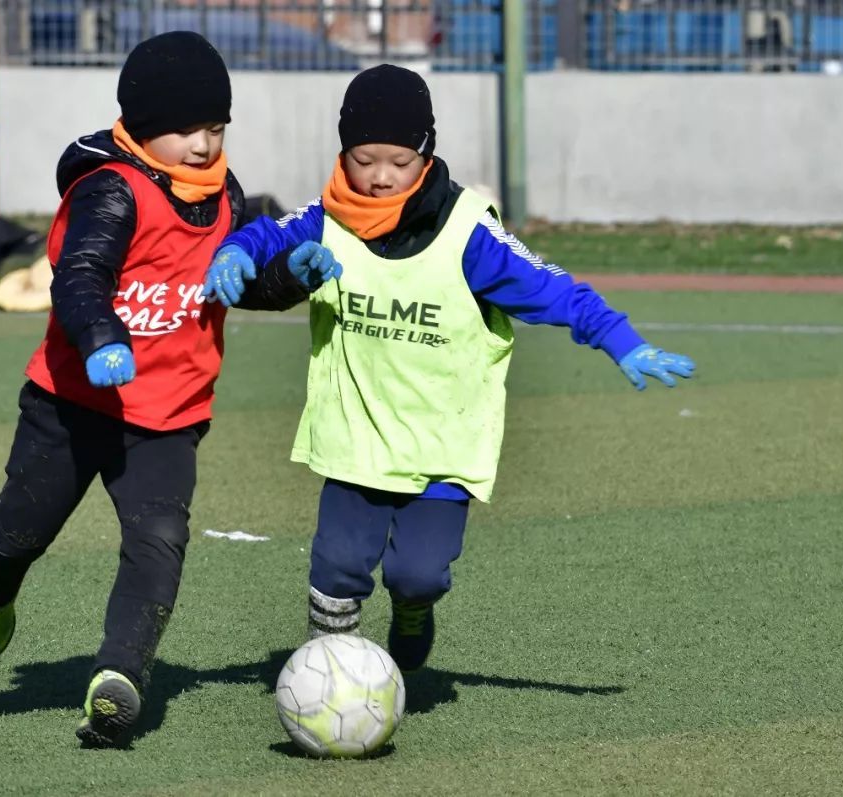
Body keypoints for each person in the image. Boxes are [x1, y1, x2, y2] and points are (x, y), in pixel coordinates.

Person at [204, 64, 695, 674]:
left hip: (440, 450)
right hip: (354, 441)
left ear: (426, 155)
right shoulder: (326, 214)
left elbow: (553, 290)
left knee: (418, 576)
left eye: (398, 161)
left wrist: (621, 341)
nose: (379, 177)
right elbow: (263, 234)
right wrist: (231, 250)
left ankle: (412, 612)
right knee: (336, 571)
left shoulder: (468, 233)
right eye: (363, 158)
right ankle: (327, 672)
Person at [0, 31, 335, 747]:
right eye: (185, 128)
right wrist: (103, 339)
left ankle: (120, 678)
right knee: (20, 528)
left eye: (215, 127)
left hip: (167, 416)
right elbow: (79, 278)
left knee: (158, 541)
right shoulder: (111, 189)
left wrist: (294, 274)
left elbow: (240, 281)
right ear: (138, 124)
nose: (202, 143)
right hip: (73, 403)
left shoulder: (223, 194)